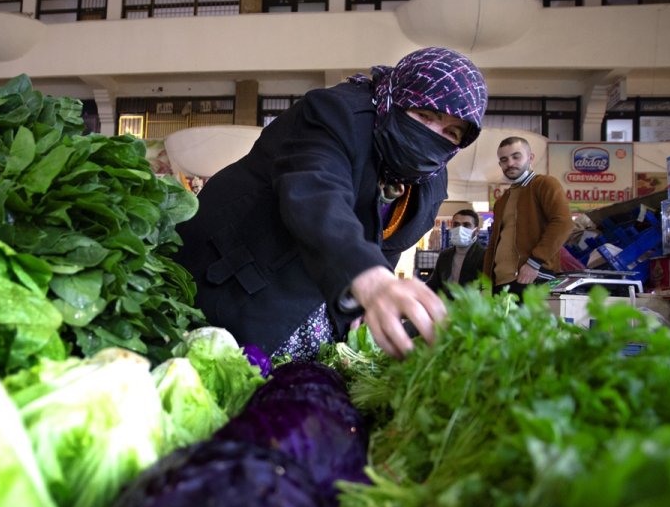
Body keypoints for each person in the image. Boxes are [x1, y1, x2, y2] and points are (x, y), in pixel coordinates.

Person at [172, 47, 488, 361]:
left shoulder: (431, 181)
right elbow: (314, 190)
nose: (432, 136)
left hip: (318, 304)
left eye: (451, 132)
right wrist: (370, 277)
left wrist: (367, 308)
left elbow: (386, 246)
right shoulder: (336, 113)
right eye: (424, 116)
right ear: (396, 97)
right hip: (241, 281)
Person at [483, 136, 573, 297]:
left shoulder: (544, 184)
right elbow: (494, 244)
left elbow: (563, 223)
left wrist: (534, 263)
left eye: (516, 156)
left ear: (530, 157)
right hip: (501, 284)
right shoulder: (502, 201)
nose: (510, 163)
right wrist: (486, 283)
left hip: (533, 278)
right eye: (504, 160)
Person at [425, 209, 486, 296]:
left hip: (471, 307)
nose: (460, 229)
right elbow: (434, 284)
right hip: (448, 307)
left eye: (466, 225)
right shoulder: (444, 256)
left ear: (476, 231)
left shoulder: (484, 256)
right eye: (456, 224)